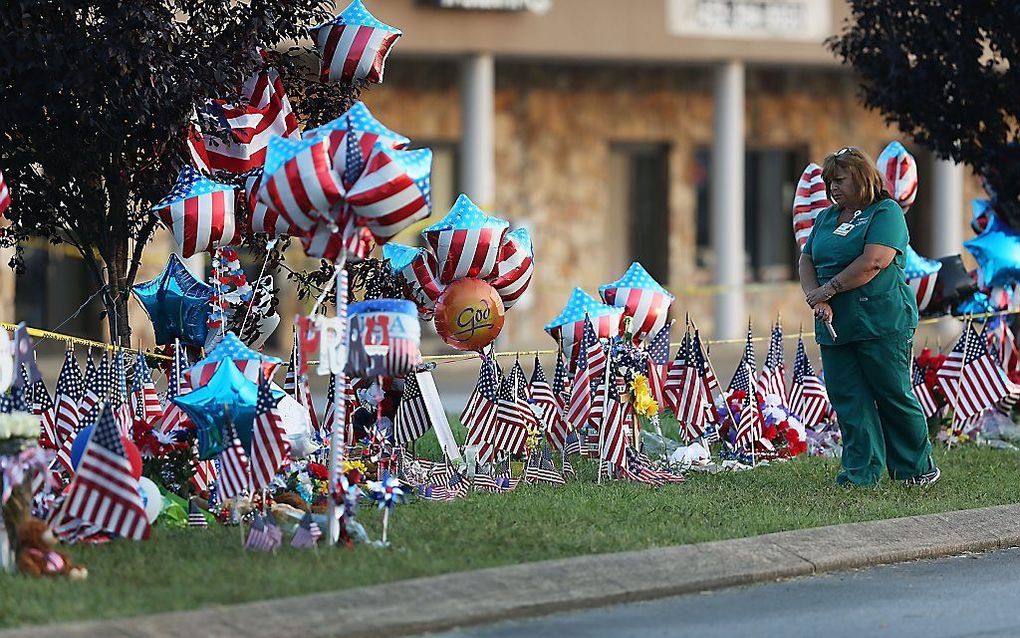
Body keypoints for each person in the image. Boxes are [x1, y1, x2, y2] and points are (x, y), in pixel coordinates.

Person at [798, 146, 939, 487]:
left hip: (881, 322)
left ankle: (916, 469)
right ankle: (861, 473)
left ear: (862, 178)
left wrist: (828, 290)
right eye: (829, 181)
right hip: (835, 325)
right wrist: (816, 298)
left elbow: (874, 261)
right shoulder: (827, 218)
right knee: (849, 399)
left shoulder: (886, 212)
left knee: (892, 394)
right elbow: (806, 258)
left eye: (840, 180)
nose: (832, 188)